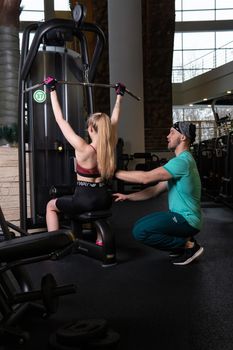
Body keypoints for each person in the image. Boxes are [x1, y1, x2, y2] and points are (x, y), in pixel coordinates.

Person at [44, 76, 125, 246]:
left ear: (90, 129)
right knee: (94, 207)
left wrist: (51, 90)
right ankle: (100, 241)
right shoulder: (111, 145)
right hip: (104, 199)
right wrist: (119, 95)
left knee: (51, 205)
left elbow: (60, 120)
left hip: (84, 200)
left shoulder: (83, 148)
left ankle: (53, 243)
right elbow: (115, 120)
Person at [113, 121, 204, 265]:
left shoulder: (182, 162)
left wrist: (114, 172)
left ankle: (188, 246)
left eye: (172, 132)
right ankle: (182, 245)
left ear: (183, 137)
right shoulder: (182, 161)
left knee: (141, 231)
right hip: (182, 218)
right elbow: (154, 190)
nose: (168, 136)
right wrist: (127, 196)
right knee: (140, 224)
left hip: (186, 220)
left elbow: (145, 178)